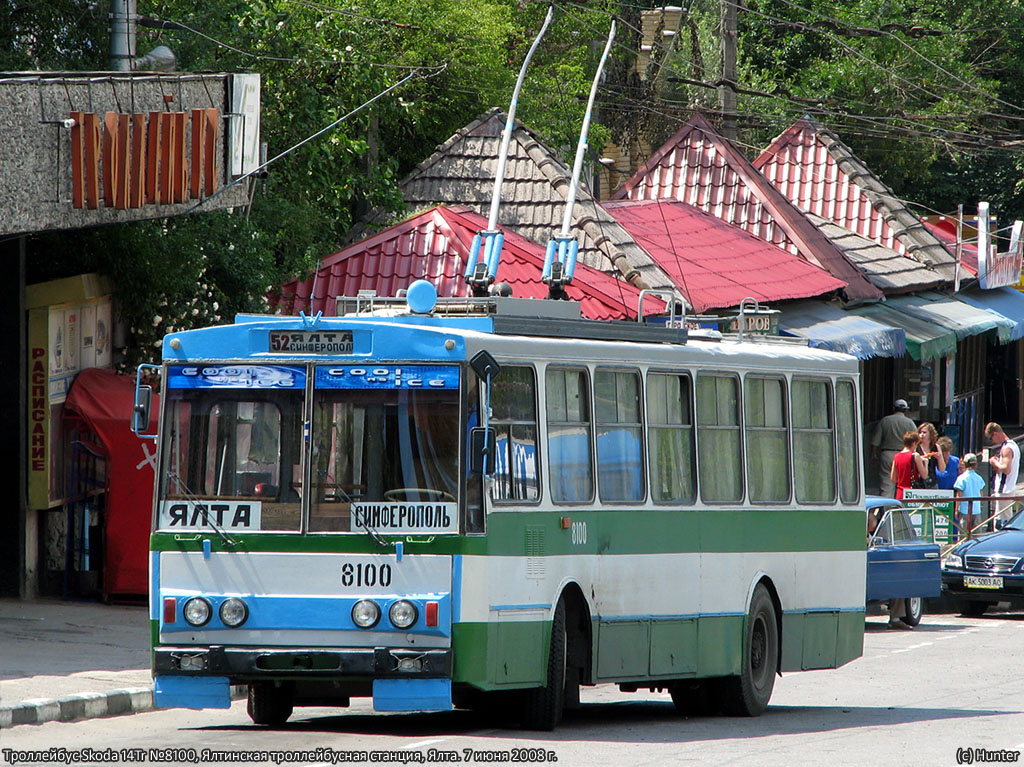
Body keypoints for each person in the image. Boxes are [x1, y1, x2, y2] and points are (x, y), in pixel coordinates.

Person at [871, 399, 917, 497]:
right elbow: (916, 440)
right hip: (904, 456)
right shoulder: (910, 423)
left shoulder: (885, 421)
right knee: (904, 484)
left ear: (894, 409)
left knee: (886, 485)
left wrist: (873, 454)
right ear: (905, 410)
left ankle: (887, 505)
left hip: (887, 454)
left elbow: (875, 441)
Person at [985, 422, 1020, 522]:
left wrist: (994, 462)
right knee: (1002, 520)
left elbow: (1006, 469)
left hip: (1004, 490)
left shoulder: (1007, 448)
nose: (992, 441)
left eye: (991, 438)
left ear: (995, 433)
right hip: (1008, 488)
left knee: (1001, 522)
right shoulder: (1012, 445)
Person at [954, 453, 986, 540]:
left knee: (963, 535)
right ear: (976, 464)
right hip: (976, 509)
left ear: (964, 464)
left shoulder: (962, 478)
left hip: (965, 509)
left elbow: (959, 495)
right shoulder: (978, 478)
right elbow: (981, 492)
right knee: (977, 535)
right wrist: (981, 504)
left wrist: (956, 509)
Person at [890, 430, 928, 500]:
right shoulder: (915, 455)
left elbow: (893, 479)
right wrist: (926, 463)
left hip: (900, 492)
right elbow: (924, 475)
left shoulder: (896, 456)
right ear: (913, 443)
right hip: (912, 493)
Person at [914, 422, 946, 487]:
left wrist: (939, 458)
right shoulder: (916, 447)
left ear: (931, 434)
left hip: (932, 482)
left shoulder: (936, 447)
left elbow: (942, 470)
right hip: (918, 482)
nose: (921, 435)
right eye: (920, 432)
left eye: (924, 432)